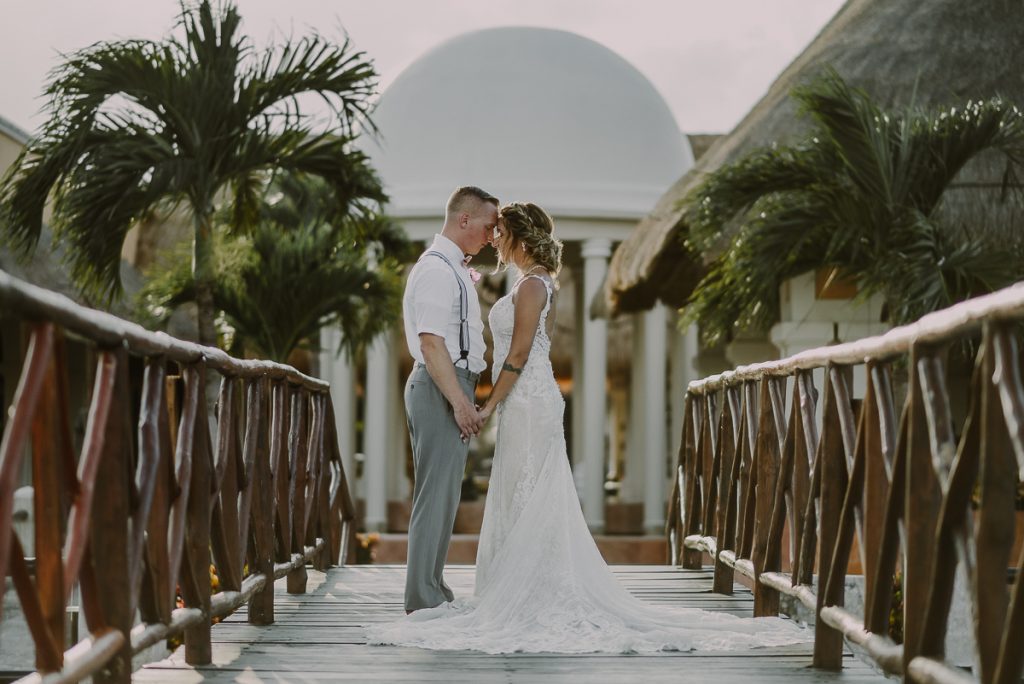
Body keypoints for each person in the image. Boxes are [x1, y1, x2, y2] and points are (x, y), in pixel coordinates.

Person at [369, 202, 809, 652]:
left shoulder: (530, 288)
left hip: (526, 400)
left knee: (528, 490)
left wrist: (486, 404)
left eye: (500, 232)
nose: (494, 239)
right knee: (523, 491)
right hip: (526, 400)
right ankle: (518, 587)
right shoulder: (535, 282)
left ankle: (529, 592)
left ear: (519, 237)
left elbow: (519, 356)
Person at [400, 185, 498, 614]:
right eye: (488, 226)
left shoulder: (453, 267)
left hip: (451, 383)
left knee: (444, 495)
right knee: (433, 494)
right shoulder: (437, 269)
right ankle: (422, 599)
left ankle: (433, 588)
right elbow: (431, 343)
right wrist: (459, 402)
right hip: (441, 384)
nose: (492, 235)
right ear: (464, 219)